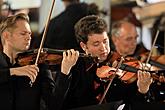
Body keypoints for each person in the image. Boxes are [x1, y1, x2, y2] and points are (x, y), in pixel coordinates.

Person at [61, 15, 153, 110]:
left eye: (105, 41)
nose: (103, 48)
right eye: (96, 44)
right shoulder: (76, 66)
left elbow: (135, 105)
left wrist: (143, 90)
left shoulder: (121, 66)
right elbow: (56, 104)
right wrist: (64, 73)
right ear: (84, 46)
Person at [0, 13, 79, 110]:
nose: (29, 37)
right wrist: (13, 71)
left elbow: (54, 104)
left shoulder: (38, 64)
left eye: (29, 34)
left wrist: (65, 72)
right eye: (23, 33)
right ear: (6, 36)